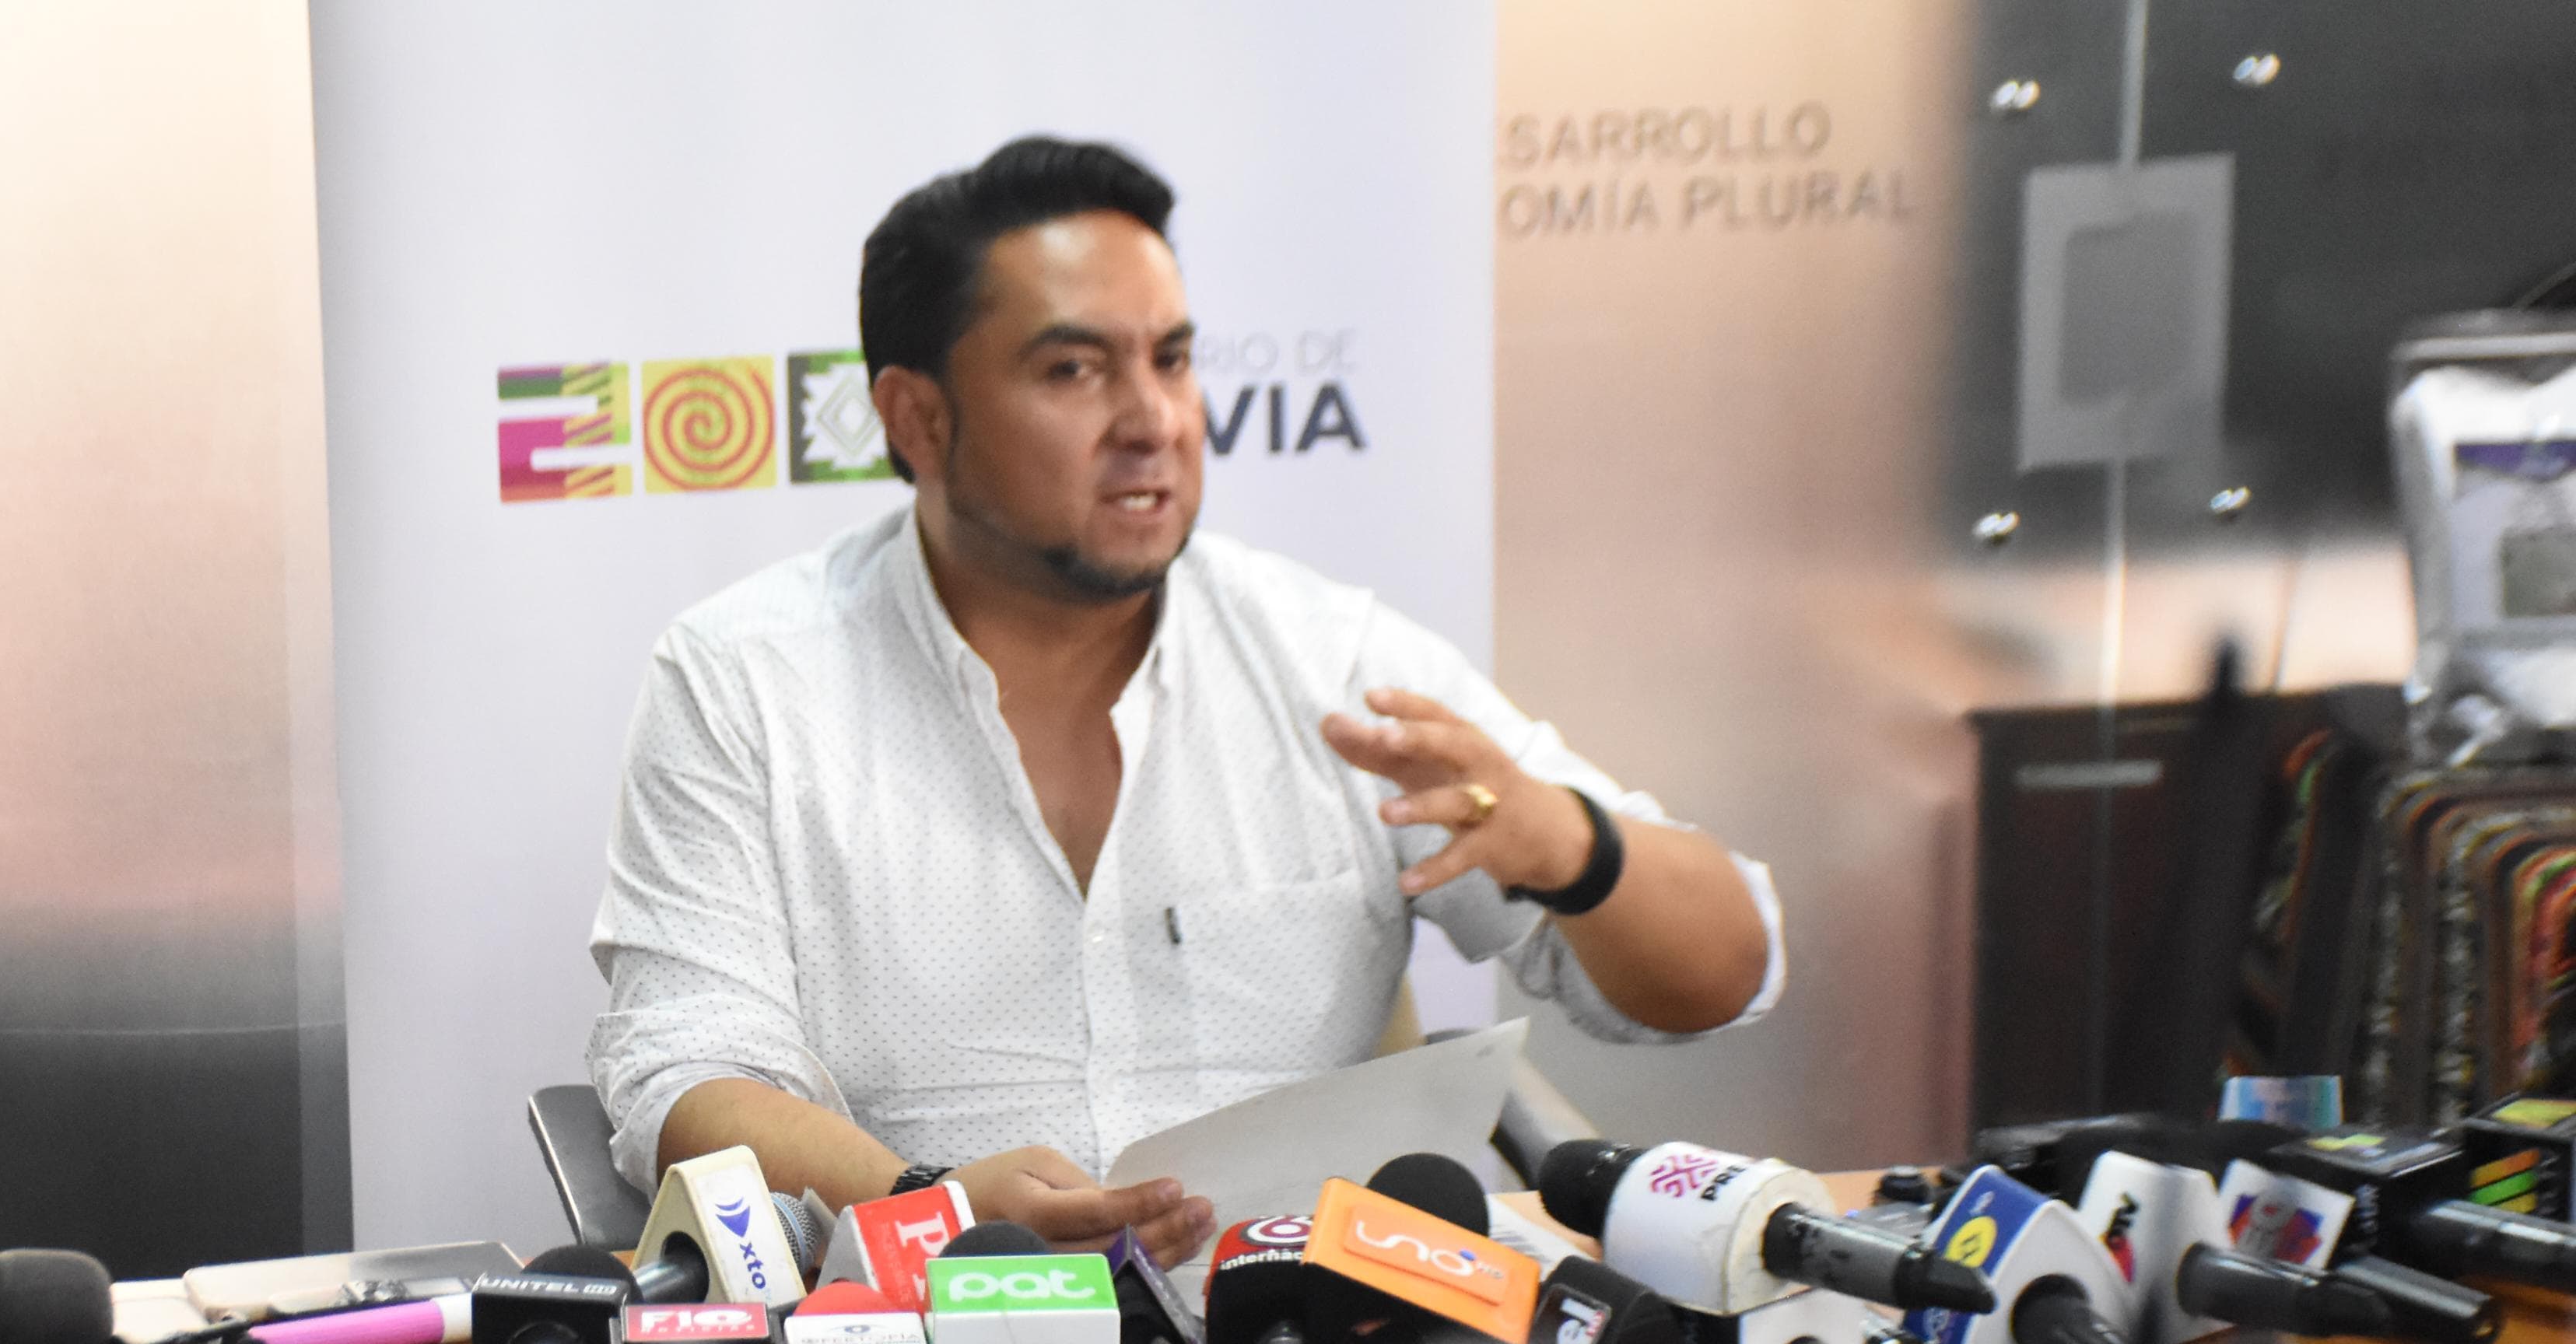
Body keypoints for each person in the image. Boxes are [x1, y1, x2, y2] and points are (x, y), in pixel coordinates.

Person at [588, 137, 1781, 1265]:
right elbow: (687, 1073)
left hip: (1316, 1337)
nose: (1153, 421)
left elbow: (1729, 969)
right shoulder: (747, 679)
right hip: (939, 1342)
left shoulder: (1333, 662)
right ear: (919, 419)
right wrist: (935, 1210)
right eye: (1074, 370)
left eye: (1170, 359)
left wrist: (1575, 849)